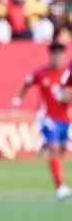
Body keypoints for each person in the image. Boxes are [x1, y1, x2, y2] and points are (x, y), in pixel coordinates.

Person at [10, 43, 71, 201]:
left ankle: (47, 148)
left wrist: (66, 97)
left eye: (60, 55)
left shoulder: (68, 74)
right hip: (47, 117)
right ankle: (60, 187)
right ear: (50, 56)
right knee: (54, 148)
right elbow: (27, 83)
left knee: (60, 151)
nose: (57, 58)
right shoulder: (41, 73)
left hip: (66, 118)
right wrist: (17, 99)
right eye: (54, 55)